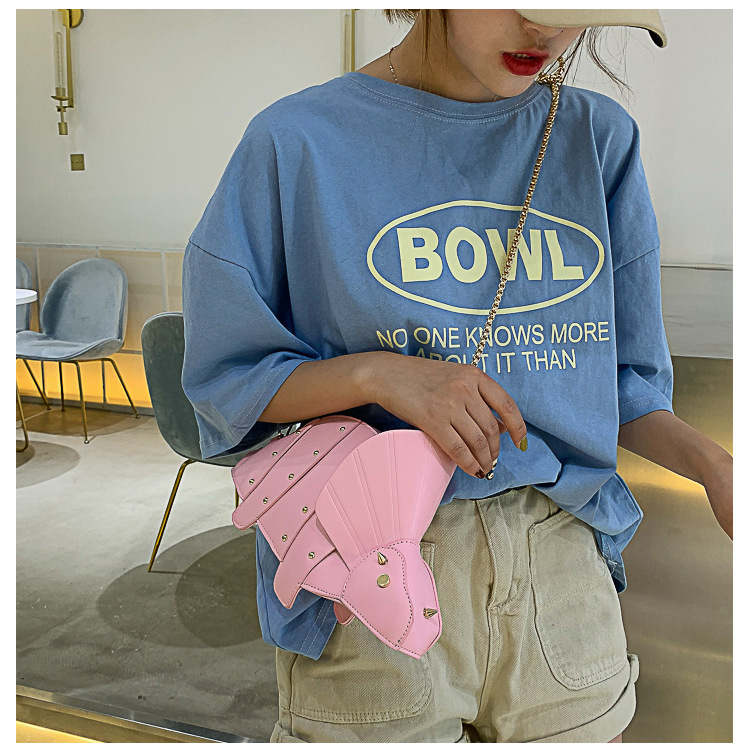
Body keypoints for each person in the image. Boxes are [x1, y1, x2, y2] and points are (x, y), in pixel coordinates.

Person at [181, 9, 733, 743]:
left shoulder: (597, 140)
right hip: (375, 566)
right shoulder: (297, 142)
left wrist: (715, 465)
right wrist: (378, 375)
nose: (546, 36)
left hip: (561, 567)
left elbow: (619, 385)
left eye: (576, 16)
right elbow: (226, 382)